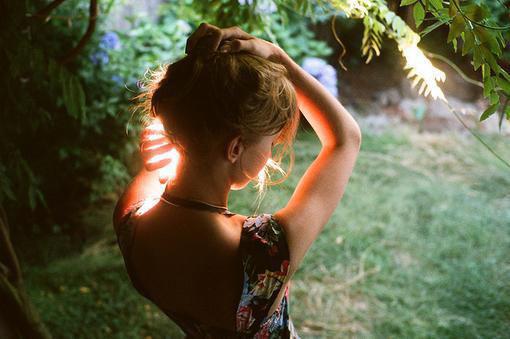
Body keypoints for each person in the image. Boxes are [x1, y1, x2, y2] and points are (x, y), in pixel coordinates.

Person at [113, 23, 361, 338]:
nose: (272, 153)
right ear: (234, 148)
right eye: (271, 142)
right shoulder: (262, 254)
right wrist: (277, 55)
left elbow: (162, 154)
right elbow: (345, 139)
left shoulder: (130, 220)